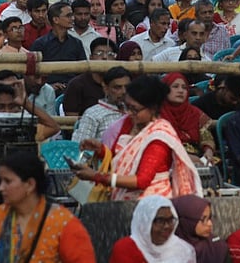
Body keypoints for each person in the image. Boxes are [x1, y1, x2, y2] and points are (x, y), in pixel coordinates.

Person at [71, 75, 202, 200]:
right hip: (122, 198)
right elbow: (121, 160)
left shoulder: (159, 137)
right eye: (127, 107)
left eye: (134, 109)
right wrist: (100, 150)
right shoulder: (130, 122)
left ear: (152, 108)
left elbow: (141, 181)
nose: (129, 112)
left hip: (151, 204)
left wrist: (96, 177)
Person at [0, 150, 95, 263]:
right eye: (1, 181)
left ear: (30, 184)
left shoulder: (64, 223)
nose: (1, 188)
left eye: (8, 181)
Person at [110, 196, 197, 263]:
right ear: (144, 223)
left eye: (170, 220)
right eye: (160, 221)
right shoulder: (125, 249)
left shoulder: (183, 250)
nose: (167, 226)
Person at [173, 195, 229, 263]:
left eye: (209, 218)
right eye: (203, 219)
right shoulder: (167, 251)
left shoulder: (218, 247)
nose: (210, 224)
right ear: (185, 221)